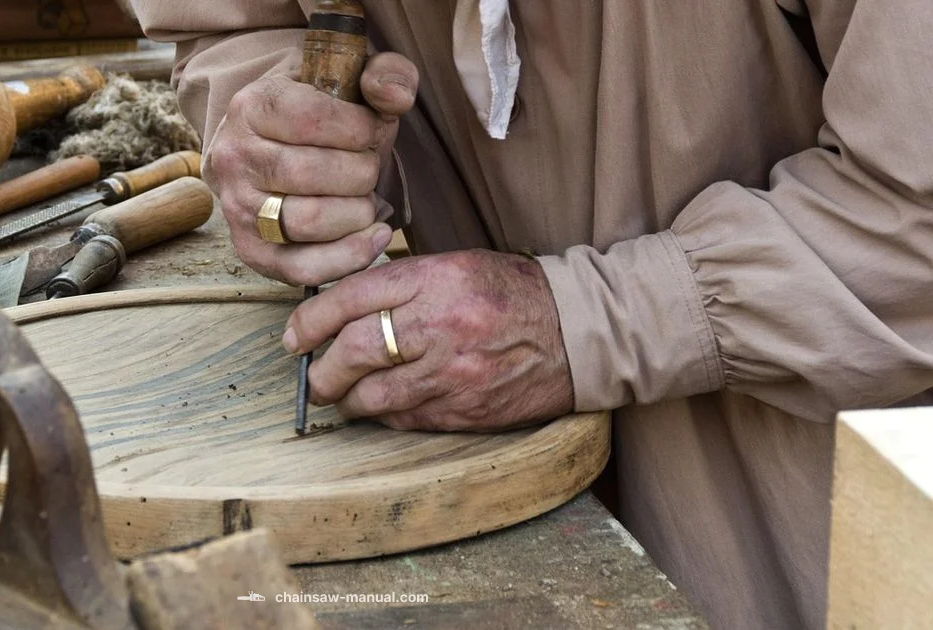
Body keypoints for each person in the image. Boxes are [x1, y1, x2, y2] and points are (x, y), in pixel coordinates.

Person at [124, 2, 933, 628]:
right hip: (482, 482)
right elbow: (230, 24)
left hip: (818, 508)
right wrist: (289, 140)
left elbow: (913, 220)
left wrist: (583, 320)